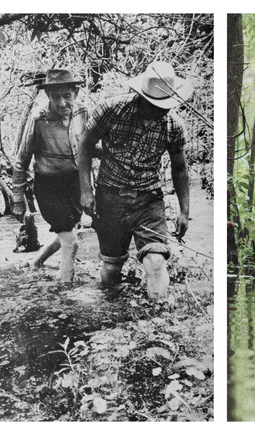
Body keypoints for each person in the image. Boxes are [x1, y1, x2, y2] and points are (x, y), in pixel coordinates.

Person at [78, 61, 193, 299]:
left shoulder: (173, 126)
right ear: (142, 97)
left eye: (167, 106)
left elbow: (179, 168)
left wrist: (184, 210)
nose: (162, 111)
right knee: (111, 268)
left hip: (148, 200)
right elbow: (84, 145)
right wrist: (86, 191)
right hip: (110, 197)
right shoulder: (110, 110)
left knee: (156, 260)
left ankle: (157, 317)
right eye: (156, 105)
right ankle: (111, 315)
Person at [12, 69, 88, 283]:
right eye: (56, 97)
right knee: (71, 242)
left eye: (67, 96)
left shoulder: (82, 112)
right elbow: (21, 161)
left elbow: (88, 147)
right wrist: (18, 199)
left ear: (76, 92)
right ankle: (66, 293)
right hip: (49, 187)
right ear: (47, 96)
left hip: (75, 183)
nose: (63, 103)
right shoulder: (38, 119)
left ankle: (36, 262)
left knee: (68, 233)